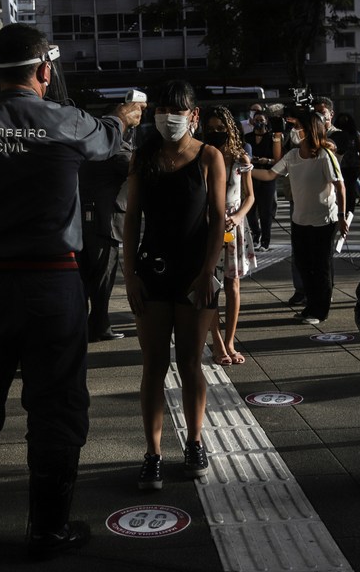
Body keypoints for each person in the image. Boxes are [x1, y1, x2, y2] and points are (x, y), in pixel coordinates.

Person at [0, 23, 144, 562]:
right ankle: (48, 530)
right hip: (52, 284)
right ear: (45, 70)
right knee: (56, 407)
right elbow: (109, 140)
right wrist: (122, 116)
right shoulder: (66, 122)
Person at [123, 80, 226, 491]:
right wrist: (129, 274)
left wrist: (208, 272)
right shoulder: (143, 157)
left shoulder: (209, 156)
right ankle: (153, 453)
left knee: (189, 363)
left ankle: (195, 442)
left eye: (178, 109)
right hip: (152, 272)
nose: (169, 116)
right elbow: (131, 219)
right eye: (162, 109)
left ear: (194, 115)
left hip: (194, 274)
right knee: (153, 365)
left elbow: (218, 218)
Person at [252, 110, 349, 325]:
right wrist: (246, 170)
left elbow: (340, 185)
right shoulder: (293, 156)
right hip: (300, 220)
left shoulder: (324, 155)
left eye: (297, 127)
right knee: (304, 265)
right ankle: (310, 306)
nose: (294, 132)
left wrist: (341, 216)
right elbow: (269, 174)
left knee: (320, 266)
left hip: (323, 220)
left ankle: (319, 311)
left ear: (310, 130)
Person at [203, 106, 257, 366]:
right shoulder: (201, 155)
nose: (215, 133)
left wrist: (237, 217)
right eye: (211, 129)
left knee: (232, 285)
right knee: (211, 286)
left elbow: (250, 196)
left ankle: (231, 340)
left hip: (233, 226)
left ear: (230, 129)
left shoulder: (241, 159)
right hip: (207, 225)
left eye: (220, 129)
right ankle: (216, 341)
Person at [78, 129, 133, 342]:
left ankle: (86, 325)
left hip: (85, 219)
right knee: (103, 276)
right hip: (105, 222)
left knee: (85, 276)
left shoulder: (88, 145)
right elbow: (135, 167)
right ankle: (99, 325)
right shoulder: (117, 148)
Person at [243, 110, 284, 251]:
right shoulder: (247, 137)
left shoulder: (272, 137)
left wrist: (266, 160)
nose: (258, 122)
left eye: (261, 119)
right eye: (256, 120)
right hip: (251, 175)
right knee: (250, 210)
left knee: (265, 211)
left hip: (267, 175)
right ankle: (256, 234)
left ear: (266, 121)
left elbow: (278, 160)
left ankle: (265, 241)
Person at [330, 112, 360, 214]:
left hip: (353, 165)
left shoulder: (355, 134)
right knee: (341, 186)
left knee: (350, 188)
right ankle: (342, 208)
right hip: (340, 165)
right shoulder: (336, 134)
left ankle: (349, 209)